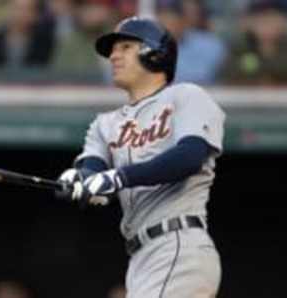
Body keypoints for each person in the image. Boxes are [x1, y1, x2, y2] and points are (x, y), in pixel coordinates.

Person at [56, 16, 225, 298]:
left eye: (125, 47)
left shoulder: (187, 96)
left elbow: (189, 156)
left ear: (154, 53)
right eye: (113, 50)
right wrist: (79, 182)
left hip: (178, 243)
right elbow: (93, 171)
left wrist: (117, 178)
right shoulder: (104, 124)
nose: (113, 56)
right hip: (141, 256)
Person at [220, 0, 287, 85]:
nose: (267, 26)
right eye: (261, 20)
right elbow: (229, 76)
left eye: (272, 19)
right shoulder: (239, 48)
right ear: (249, 23)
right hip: (248, 100)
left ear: (283, 21)